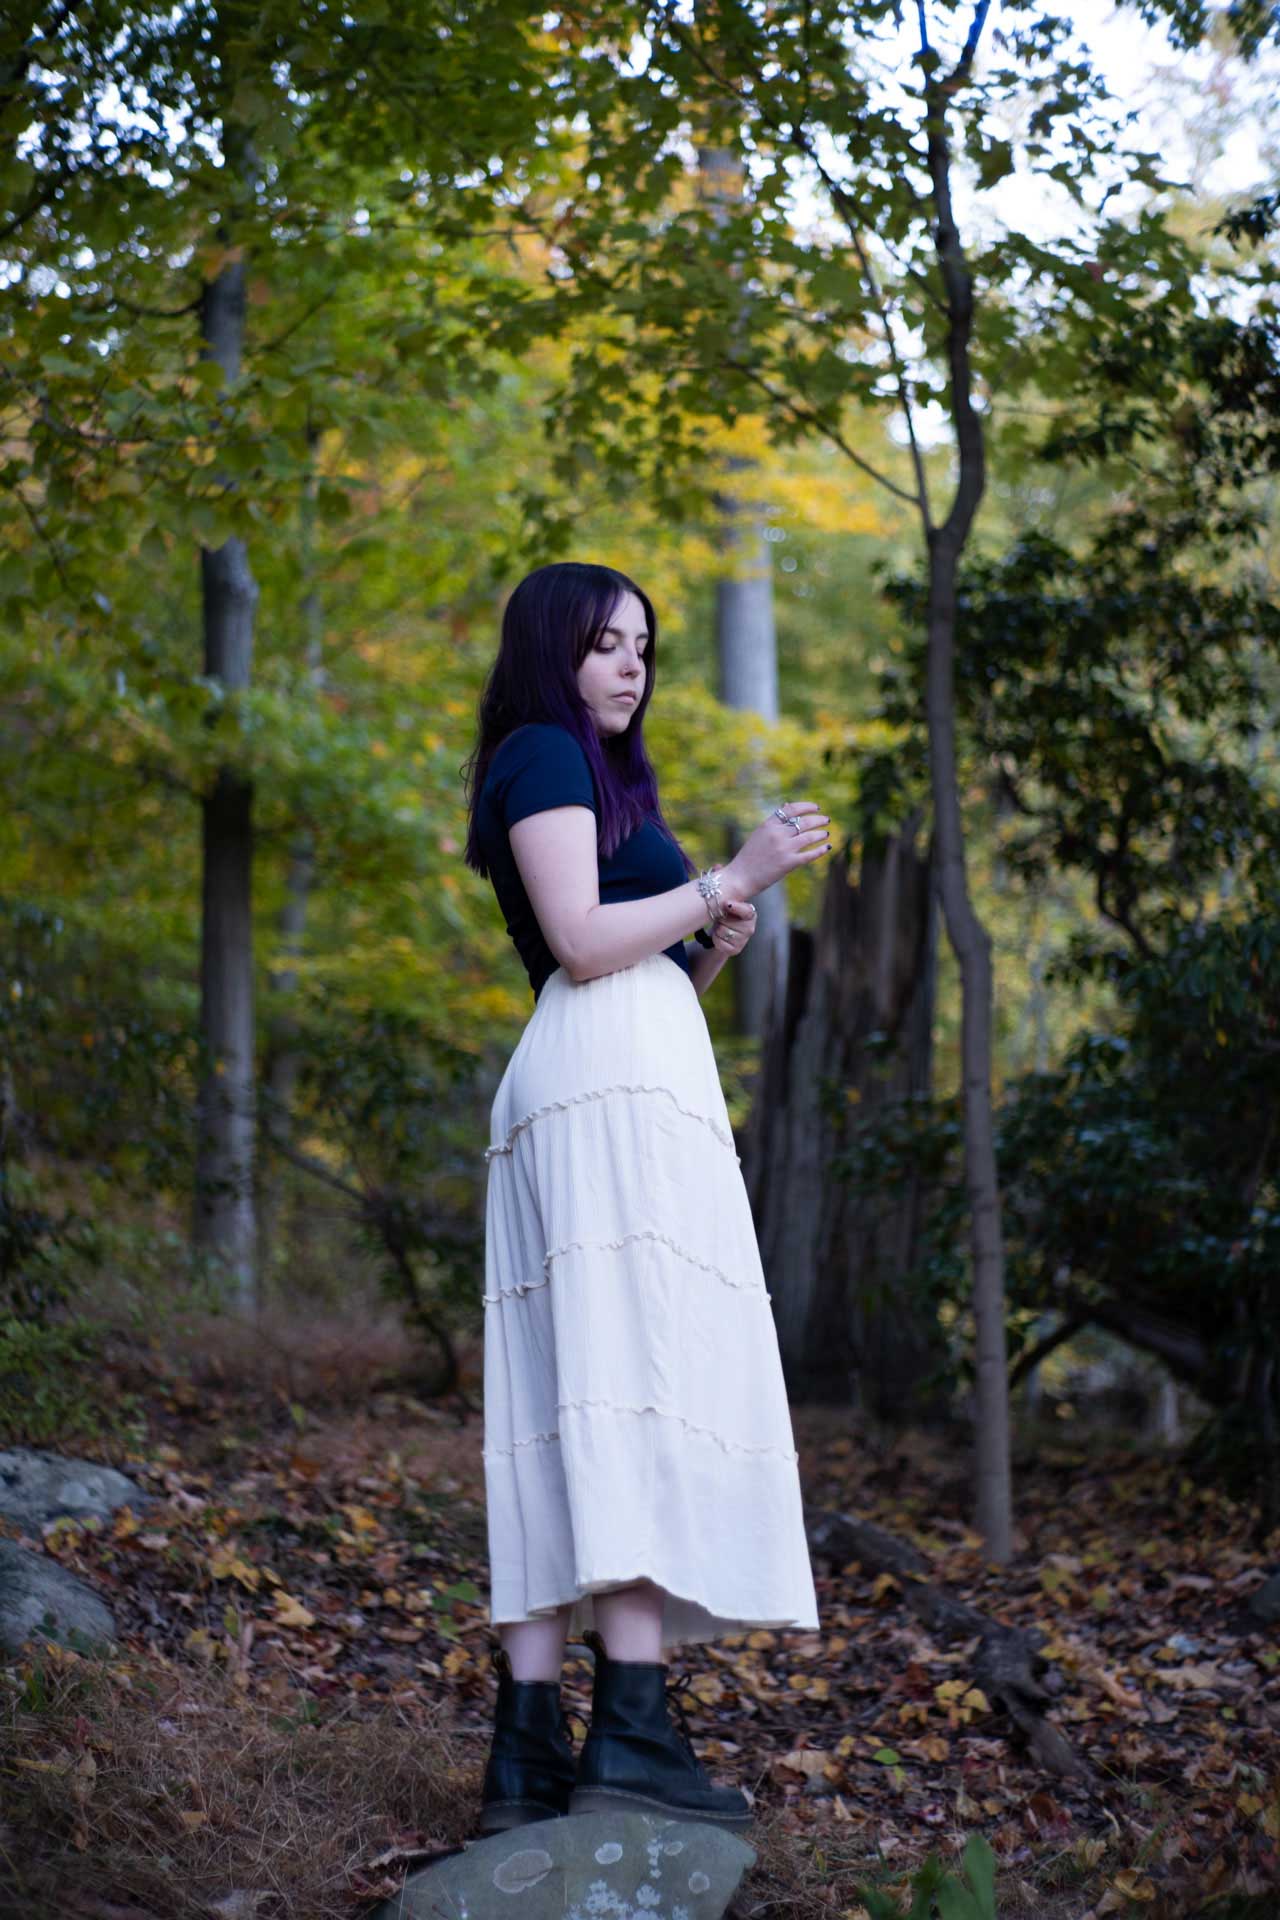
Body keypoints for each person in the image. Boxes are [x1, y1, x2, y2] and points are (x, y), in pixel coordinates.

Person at [462, 560, 828, 1835]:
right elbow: (577, 945)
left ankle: (527, 1754)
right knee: (626, 1382)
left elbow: (635, 966)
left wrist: (705, 946)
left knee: (567, 1397)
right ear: (550, 650)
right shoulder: (543, 754)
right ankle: (627, 1727)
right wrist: (730, 877)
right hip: (598, 1085)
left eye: (643, 646)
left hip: (609, 1075)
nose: (632, 665)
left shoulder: (587, 772)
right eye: (606, 643)